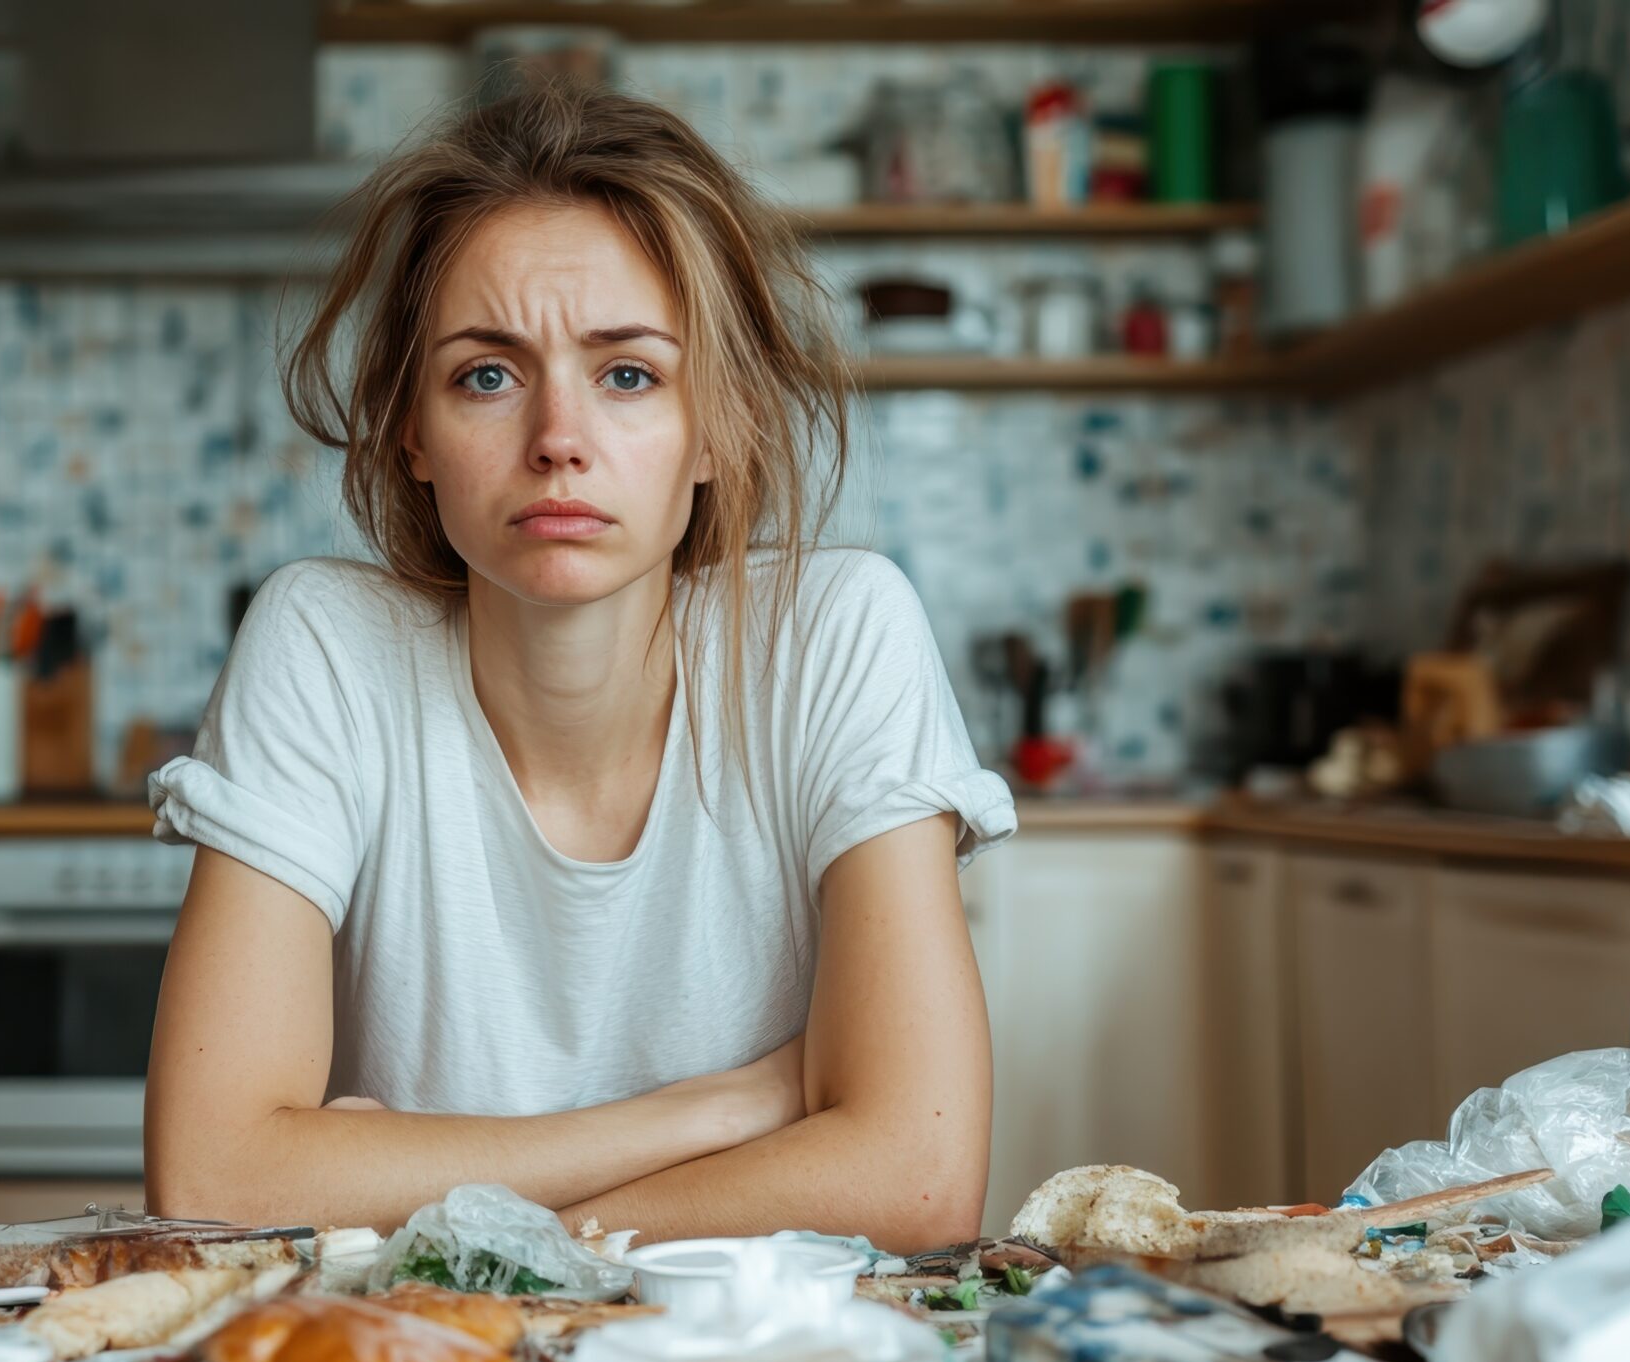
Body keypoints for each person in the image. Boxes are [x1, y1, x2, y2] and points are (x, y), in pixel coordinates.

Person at [143, 81, 1012, 1252]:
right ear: (410, 430)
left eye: (628, 374)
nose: (557, 437)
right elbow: (215, 1177)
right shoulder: (321, 647)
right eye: (486, 375)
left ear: (716, 426)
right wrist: (727, 1108)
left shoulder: (837, 633)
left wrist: (456, 1214)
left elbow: (914, 1182)